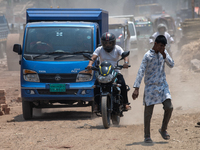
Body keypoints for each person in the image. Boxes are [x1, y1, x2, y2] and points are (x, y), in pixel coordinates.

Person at [132, 35, 174, 143]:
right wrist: (136, 88)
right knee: (148, 113)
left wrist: (164, 55)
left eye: (164, 46)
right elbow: (141, 71)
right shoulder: (147, 56)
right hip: (150, 87)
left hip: (163, 86)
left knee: (169, 107)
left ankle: (163, 129)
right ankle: (147, 135)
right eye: (160, 46)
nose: (162, 48)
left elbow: (172, 64)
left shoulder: (163, 54)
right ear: (155, 44)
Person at [86, 32, 131, 113]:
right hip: (102, 72)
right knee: (96, 85)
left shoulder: (118, 48)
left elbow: (125, 56)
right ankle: (96, 104)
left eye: (110, 43)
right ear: (102, 43)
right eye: (105, 43)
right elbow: (93, 57)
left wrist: (126, 63)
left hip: (115, 71)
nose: (108, 45)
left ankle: (125, 103)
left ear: (113, 42)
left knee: (122, 83)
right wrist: (90, 64)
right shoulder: (99, 49)